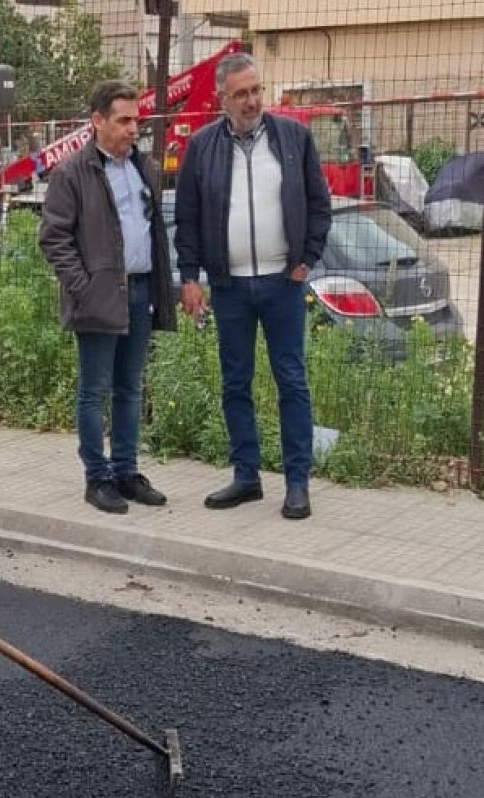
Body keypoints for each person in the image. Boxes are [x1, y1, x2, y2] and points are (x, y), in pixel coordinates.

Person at [174, 52, 332, 520]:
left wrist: (306, 260)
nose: (251, 100)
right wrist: (189, 277)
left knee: (291, 380)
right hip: (229, 287)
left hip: (283, 283)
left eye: (256, 90)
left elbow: (319, 205)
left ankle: (297, 482)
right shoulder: (201, 147)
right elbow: (187, 218)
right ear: (221, 98)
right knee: (235, 383)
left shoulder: (293, 138)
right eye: (240, 93)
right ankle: (247, 477)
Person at [39, 80, 176, 514]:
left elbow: (151, 230)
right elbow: (54, 237)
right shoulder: (72, 173)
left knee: (130, 388)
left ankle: (126, 471)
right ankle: (96, 478)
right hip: (98, 296)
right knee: (94, 389)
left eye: (137, 119)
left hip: (139, 291)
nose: (134, 128)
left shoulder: (144, 167)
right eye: (124, 120)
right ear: (97, 121)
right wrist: (84, 285)